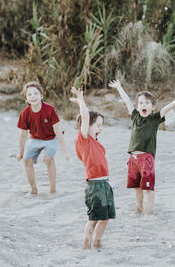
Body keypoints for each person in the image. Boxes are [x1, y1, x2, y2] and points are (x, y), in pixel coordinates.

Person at [109, 79, 175, 214]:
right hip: (133, 158)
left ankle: (149, 210)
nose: (144, 105)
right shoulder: (135, 116)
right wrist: (119, 87)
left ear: (152, 107)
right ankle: (138, 208)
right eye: (141, 103)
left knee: (148, 187)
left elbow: (167, 108)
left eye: (147, 103)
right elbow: (127, 102)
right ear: (137, 106)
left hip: (146, 158)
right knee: (137, 187)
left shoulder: (154, 119)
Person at [70, 86, 115, 249]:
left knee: (106, 217)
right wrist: (81, 100)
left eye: (102, 125)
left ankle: (97, 241)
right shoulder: (84, 140)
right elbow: (85, 117)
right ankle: (86, 244)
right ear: (87, 126)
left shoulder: (96, 143)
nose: (100, 128)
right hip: (95, 185)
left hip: (105, 184)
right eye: (98, 125)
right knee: (94, 218)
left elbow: (87, 116)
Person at [16, 81, 69, 195]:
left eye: (35, 93)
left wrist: (64, 151)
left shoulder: (49, 110)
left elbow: (58, 131)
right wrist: (20, 153)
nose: (33, 96)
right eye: (29, 94)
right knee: (27, 160)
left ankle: (53, 189)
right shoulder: (25, 113)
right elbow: (23, 135)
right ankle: (33, 189)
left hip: (51, 137)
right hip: (35, 138)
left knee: (48, 159)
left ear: (41, 95)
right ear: (26, 99)